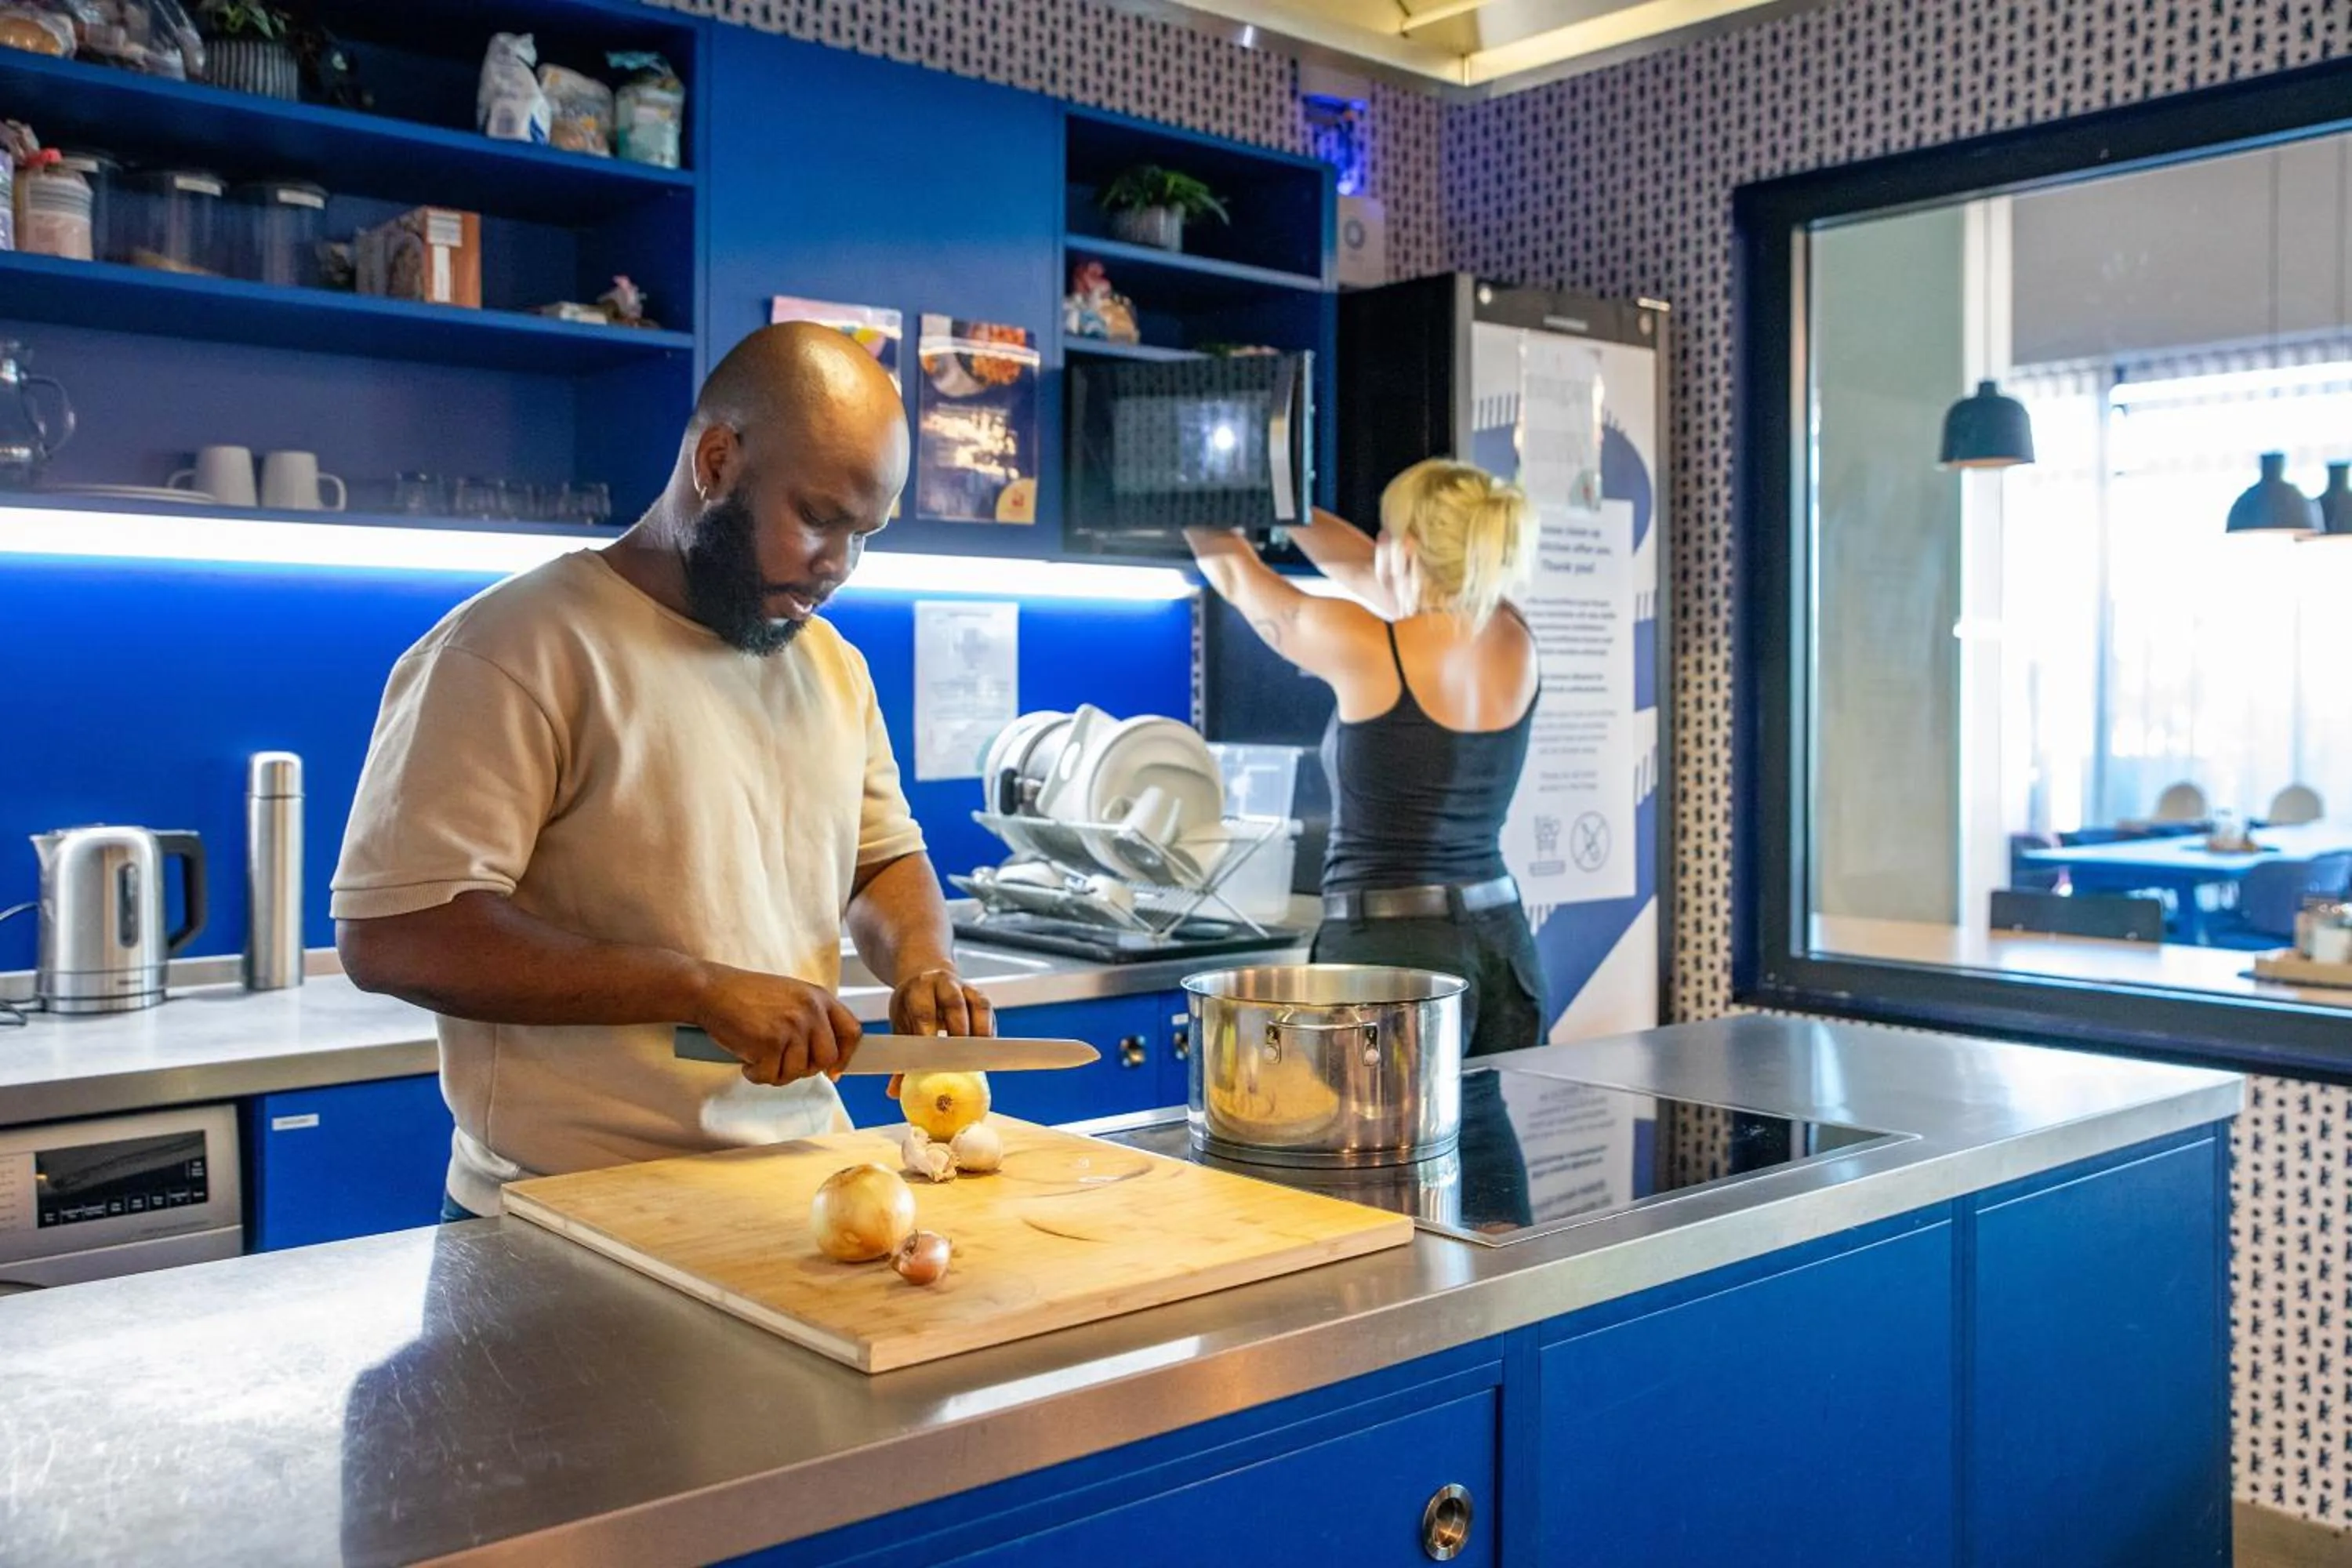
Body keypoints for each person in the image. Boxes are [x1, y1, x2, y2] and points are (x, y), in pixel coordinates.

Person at [332, 322, 993, 1220]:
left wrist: (921, 963)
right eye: (817, 518)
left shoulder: (832, 666)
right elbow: (394, 935)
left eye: (863, 533)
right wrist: (698, 988)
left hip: (810, 1190)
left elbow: (881, 861)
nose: (838, 565)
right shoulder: (512, 649)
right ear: (717, 461)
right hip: (564, 1217)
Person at [1185, 459, 1544, 1058]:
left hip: (1395, 955)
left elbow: (1235, 573)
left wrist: (1189, 487)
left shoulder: (1370, 645)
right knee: (1487, 1132)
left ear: (1403, 549)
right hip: (1502, 942)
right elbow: (1357, 566)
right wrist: (1278, 494)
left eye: (1382, 535)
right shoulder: (1510, 631)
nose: (1370, 549)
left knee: (1380, 1150)